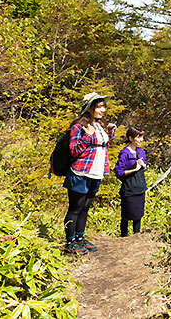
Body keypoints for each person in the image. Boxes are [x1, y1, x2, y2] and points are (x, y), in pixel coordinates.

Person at [63, 92, 116, 255]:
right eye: (99, 107)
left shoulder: (99, 124)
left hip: (96, 172)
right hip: (80, 171)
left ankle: (80, 238)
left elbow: (103, 145)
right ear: (90, 107)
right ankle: (70, 242)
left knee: (85, 207)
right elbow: (73, 149)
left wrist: (111, 132)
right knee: (75, 208)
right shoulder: (79, 125)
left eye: (103, 107)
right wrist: (87, 135)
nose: (102, 110)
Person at [115, 126, 147, 237]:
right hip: (129, 189)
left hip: (140, 187)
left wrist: (143, 166)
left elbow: (144, 167)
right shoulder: (124, 153)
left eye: (142, 137)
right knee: (126, 215)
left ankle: (136, 237)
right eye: (139, 137)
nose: (141, 140)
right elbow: (118, 172)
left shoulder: (141, 151)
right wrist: (133, 169)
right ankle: (124, 237)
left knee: (138, 214)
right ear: (130, 138)